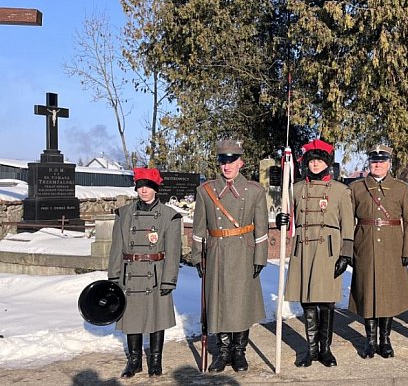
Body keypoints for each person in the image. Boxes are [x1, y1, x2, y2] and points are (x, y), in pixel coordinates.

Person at [191, 139, 269, 372]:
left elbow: (262, 228)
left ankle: (239, 351)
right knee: (220, 301)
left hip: (244, 252)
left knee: (241, 302)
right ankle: (222, 351)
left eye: (232, 161)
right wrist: (197, 257)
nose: (227, 166)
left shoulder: (255, 191)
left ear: (240, 163)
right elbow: (198, 229)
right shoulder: (205, 191)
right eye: (223, 161)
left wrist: (260, 258)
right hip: (217, 252)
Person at [276, 139, 354, 367]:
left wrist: (345, 254)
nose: (316, 164)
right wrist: (282, 220)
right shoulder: (295, 189)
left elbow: (348, 224)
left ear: (327, 163)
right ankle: (310, 350)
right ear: (306, 163)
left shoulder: (340, 191)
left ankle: (326, 350)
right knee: (308, 301)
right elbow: (288, 217)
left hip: (328, 250)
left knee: (326, 302)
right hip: (304, 249)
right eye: (312, 160)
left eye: (320, 160)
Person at [108, 168, 182, 378]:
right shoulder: (123, 214)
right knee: (131, 317)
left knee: (156, 317)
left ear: (156, 189)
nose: (144, 190)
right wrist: (114, 276)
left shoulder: (169, 215)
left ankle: (156, 361)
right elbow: (116, 247)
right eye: (140, 186)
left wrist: (169, 279)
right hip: (129, 273)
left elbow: (173, 251)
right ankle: (134, 361)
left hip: (155, 273)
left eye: (148, 186)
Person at [348, 144, 408, 359]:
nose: (378, 165)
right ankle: (369, 341)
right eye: (374, 161)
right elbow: (349, 221)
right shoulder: (357, 188)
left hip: (392, 245)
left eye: (382, 161)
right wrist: (348, 249)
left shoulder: (401, 187)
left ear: (389, 164)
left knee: (388, 294)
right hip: (365, 244)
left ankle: (385, 340)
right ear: (369, 163)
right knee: (367, 292)